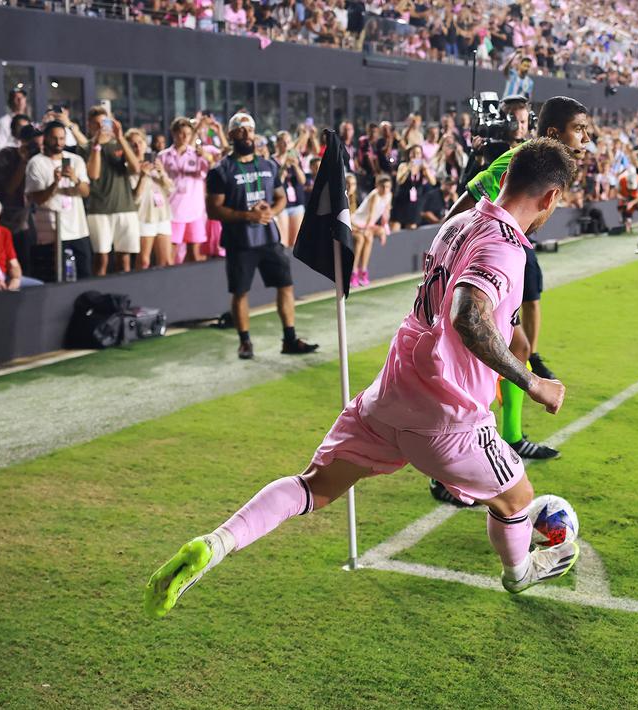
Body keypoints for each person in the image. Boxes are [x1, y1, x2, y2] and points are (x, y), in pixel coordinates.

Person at [144, 139, 579, 618]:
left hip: (388, 399)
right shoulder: (506, 247)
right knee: (517, 497)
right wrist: (534, 383)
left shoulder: (461, 221)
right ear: (551, 197)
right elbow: (469, 318)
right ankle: (520, 575)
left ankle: (215, 543)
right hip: (448, 419)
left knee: (314, 486)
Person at [443, 95, 590, 465]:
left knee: (519, 349)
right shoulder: (518, 160)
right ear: (556, 132)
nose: (585, 138)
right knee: (473, 363)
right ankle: (447, 467)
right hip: (479, 273)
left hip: (501, 262)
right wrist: (457, 255)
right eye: (579, 129)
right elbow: (462, 206)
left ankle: (510, 438)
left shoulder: (543, 163)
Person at [205, 112, 319, 360]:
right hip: (240, 242)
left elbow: (281, 198)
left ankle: (289, 339)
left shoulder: (268, 165)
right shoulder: (221, 170)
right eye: (241, 130)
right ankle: (245, 341)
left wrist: (271, 211)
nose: (247, 134)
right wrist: (247, 216)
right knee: (241, 292)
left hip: (269, 238)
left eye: (250, 129)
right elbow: (213, 209)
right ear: (232, 134)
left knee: (286, 285)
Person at [25, 121, 93, 280]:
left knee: (85, 273)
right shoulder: (36, 163)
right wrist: (54, 184)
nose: (58, 143)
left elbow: (85, 192)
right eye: (54, 138)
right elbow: (37, 199)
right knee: (56, 276)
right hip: (51, 231)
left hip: (78, 228)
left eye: (62, 138)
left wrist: (75, 179)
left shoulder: (75, 160)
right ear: (46, 139)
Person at [81, 104, 142, 275]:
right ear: (89, 125)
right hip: (99, 210)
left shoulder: (119, 145)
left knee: (124, 259)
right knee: (101, 259)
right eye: (96, 124)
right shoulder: (84, 148)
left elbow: (136, 168)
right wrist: (97, 146)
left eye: (103, 123)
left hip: (125, 208)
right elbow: (93, 174)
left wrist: (121, 138)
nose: (101, 127)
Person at [0, 123, 38, 276]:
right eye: (32, 144)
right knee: (2, 263)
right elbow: (9, 190)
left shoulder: (39, 158)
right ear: (21, 141)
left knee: (26, 264)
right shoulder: (5, 155)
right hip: (2, 218)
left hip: (24, 218)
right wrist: (23, 161)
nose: (36, 149)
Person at [160, 116, 216, 264]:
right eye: (180, 133)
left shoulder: (198, 154)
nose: (184, 137)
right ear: (173, 134)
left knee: (195, 256)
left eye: (188, 134)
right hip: (172, 212)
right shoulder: (163, 156)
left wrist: (208, 158)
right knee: (170, 258)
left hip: (195, 212)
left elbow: (213, 170)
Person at [126, 129, 175, 269]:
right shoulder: (128, 168)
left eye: (140, 142)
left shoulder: (156, 163)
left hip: (162, 216)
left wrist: (161, 173)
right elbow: (135, 198)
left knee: (166, 261)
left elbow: (170, 189)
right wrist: (142, 176)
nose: (138, 147)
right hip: (144, 218)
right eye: (133, 144)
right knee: (144, 261)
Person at [0, 196, 43, 292]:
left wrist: (15, 279)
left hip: (4, 276)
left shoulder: (4, 233)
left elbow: (13, 263)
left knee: (39, 287)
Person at [351, 174, 392, 287]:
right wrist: (369, 228)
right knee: (363, 238)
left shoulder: (389, 195)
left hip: (368, 225)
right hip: (356, 222)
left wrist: (383, 228)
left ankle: (363, 271)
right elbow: (371, 215)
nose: (385, 189)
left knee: (368, 237)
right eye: (382, 186)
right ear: (377, 186)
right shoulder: (375, 195)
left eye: (388, 187)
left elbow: (385, 213)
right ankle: (353, 272)